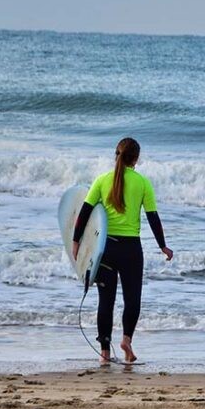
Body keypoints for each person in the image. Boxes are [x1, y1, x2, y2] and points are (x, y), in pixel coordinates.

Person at [72, 137, 173, 364]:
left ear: (115, 154)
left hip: (105, 249)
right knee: (132, 299)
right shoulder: (142, 183)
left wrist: (76, 242)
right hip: (131, 250)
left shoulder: (101, 180)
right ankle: (126, 340)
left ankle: (105, 354)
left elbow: (85, 213)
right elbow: (153, 218)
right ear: (135, 159)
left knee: (105, 301)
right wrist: (162, 246)